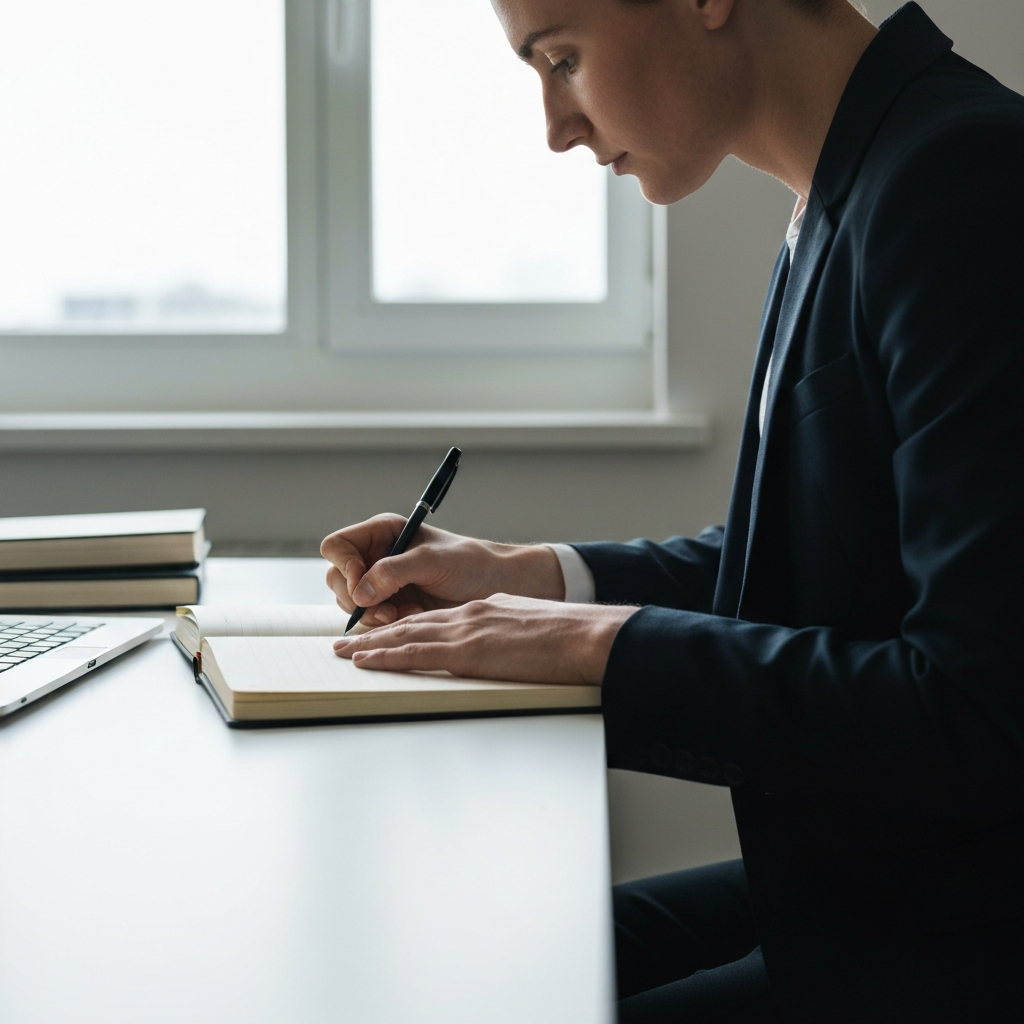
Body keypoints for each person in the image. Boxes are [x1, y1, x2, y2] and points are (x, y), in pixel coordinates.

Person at [320, 0, 1024, 1019]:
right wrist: (529, 579)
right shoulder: (854, 180)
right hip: (884, 883)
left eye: (561, 58)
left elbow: (977, 712)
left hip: (959, 931)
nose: (554, 127)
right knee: (478, 967)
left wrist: (588, 647)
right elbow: (822, 567)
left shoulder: (960, 181)